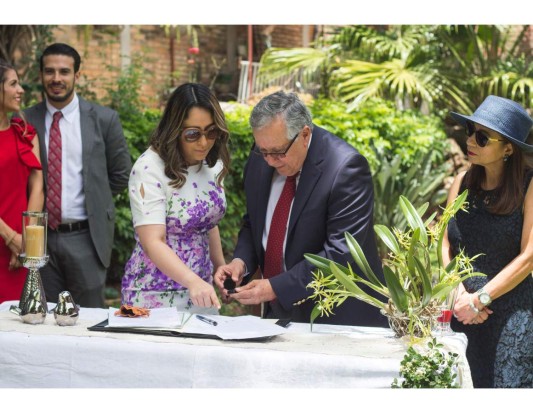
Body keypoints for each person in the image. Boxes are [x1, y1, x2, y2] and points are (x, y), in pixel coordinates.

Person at [214, 90, 386, 326]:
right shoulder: (260, 159)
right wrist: (240, 263)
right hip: (278, 316)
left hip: (335, 317)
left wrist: (275, 287)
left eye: (277, 152)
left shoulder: (345, 168)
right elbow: (253, 223)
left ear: (304, 134)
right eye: (263, 151)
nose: (269, 161)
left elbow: (340, 254)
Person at [24, 43, 132, 308]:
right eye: (49, 71)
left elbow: (121, 175)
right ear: (41, 75)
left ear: (77, 76)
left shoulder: (104, 119)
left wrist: (95, 200)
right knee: (42, 317)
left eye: (64, 71)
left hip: (86, 238)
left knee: (88, 320)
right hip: (40, 237)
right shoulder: (25, 121)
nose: (56, 79)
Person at [442, 95, 533, 388]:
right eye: (470, 130)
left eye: (482, 137)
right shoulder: (461, 182)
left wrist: (481, 298)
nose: (470, 140)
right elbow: (444, 244)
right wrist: (457, 293)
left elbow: (529, 256)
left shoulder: (529, 186)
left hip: (509, 317)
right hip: (463, 312)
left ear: (508, 148)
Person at [121, 83, 229, 310]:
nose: (203, 142)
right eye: (192, 134)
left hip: (202, 290)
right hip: (153, 294)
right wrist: (192, 281)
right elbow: (152, 241)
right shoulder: (149, 169)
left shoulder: (211, 164)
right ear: (174, 129)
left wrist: (220, 267)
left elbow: (207, 222)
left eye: (211, 132)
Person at [0, 60, 44, 303]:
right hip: (10, 240)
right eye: (13, 83)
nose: (21, 90)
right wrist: (10, 238)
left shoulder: (26, 133)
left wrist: (27, 239)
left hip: (21, 249)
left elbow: (38, 186)